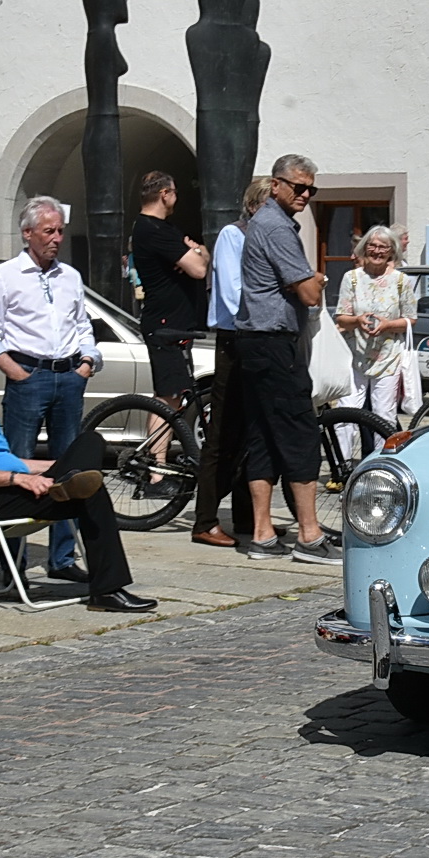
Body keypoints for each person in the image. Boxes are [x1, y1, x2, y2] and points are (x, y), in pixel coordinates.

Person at [0, 353, 156, 613]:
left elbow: (13, 461)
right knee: (90, 491)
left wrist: (59, 467)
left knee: (90, 443)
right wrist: (17, 479)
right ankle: (107, 590)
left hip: (22, 489)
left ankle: (71, 483)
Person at [0, 196, 102, 583]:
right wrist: (16, 372)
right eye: (49, 231)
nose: (57, 238)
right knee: (16, 464)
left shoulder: (70, 277)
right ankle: (11, 563)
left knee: (69, 468)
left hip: (68, 377)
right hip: (29, 376)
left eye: (60, 230)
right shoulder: (7, 275)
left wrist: (86, 363)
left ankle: (62, 558)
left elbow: (82, 325)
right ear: (27, 233)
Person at [234, 154, 332, 565]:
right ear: (276, 185)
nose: (305, 195)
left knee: (263, 435)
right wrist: (316, 281)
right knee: (299, 432)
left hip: (253, 340)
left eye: (311, 189)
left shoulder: (264, 223)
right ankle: (309, 536)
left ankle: (262, 533)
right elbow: (309, 294)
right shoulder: (275, 226)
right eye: (298, 187)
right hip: (273, 341)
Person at [190, 175, 272, 547]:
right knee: (222, 433)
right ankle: (205, 519)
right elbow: (234, 292)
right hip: (236, 339)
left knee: (253, 432)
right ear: (255, 206)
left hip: (258, 339)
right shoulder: (233, 235)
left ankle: (246, 517)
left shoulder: (267, 237)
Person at [130, 172, 210, 470]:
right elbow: (199, 269)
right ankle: (155, 469)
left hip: (177, 322)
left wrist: (197, 253)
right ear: (165, 194)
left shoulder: (162, 228)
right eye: (175, 192)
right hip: (165, 325)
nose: (177, 198)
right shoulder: (153, 230)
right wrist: (196, 252)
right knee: (167, 396)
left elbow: (198, 259)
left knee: (174, 395)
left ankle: (158, 464)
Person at [333, 224, 417, 431]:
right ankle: (342, 461)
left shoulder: (401, 281)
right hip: (354, 355)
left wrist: (388, 325)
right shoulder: (351, 278)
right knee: (346, 413)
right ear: (364, 247)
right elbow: (341, 317)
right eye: (373, 246)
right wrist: (357, 320)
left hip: (388, 357)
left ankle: (380, 461)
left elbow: (411, 319)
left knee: (384, 416)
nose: (377, 251)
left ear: (392, 251)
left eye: (384, 247)